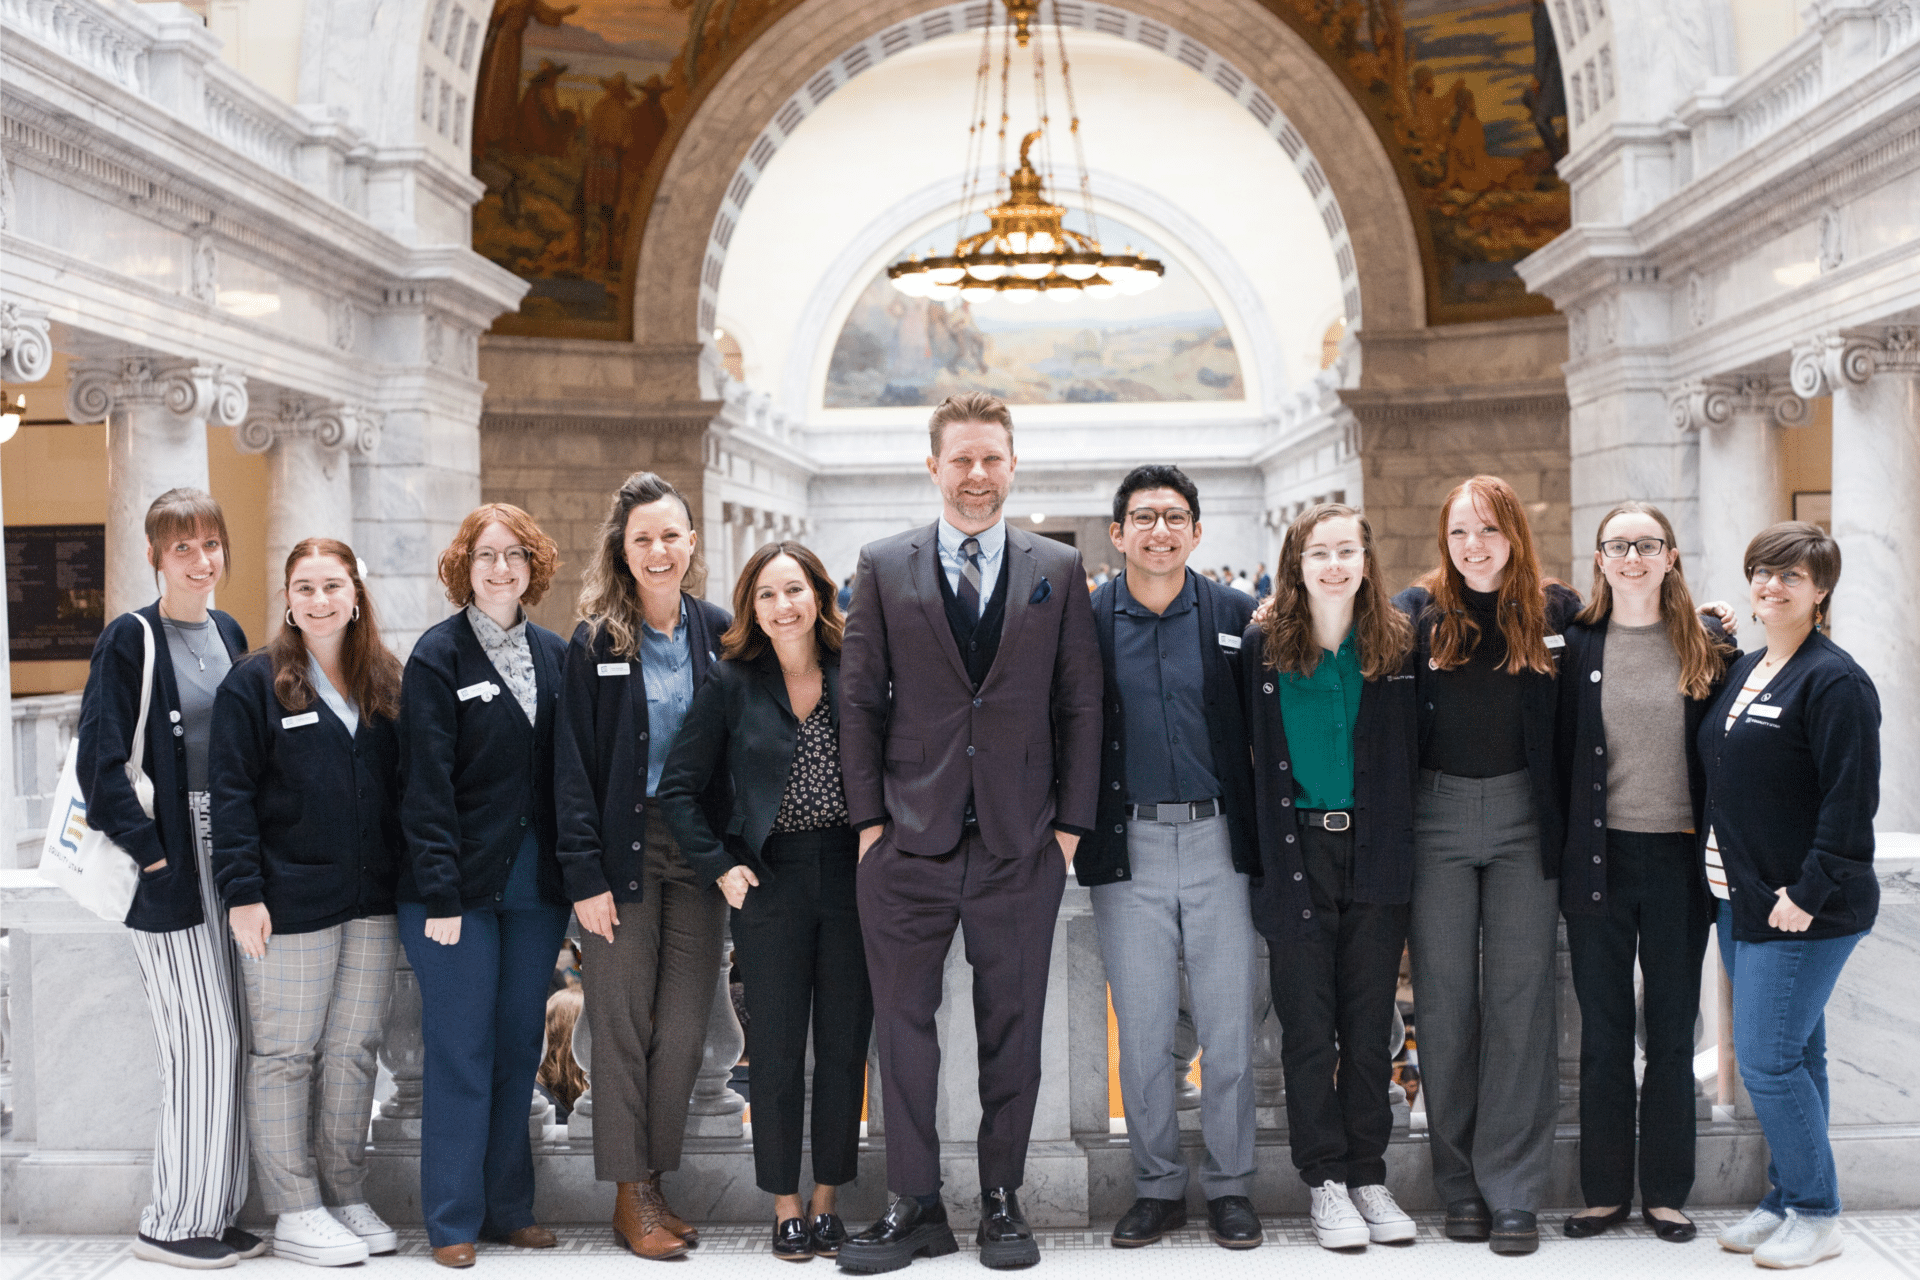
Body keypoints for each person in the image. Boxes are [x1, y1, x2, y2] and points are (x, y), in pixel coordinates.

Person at [837, 392, 1102, 1273]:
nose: (978, 475)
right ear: (934, 467)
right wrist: (870, 822)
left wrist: (1070, 828)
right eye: (961, 460)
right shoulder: (882, 564)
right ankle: (914, 1206)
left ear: (1013, 463)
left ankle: (1001, 1201)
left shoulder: (1056, 568)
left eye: (992, 458)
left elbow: (1079, 702)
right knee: (902, 1030)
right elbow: (861, 702)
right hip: (906, 844)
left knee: (1011, 1031)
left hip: (1021, 846)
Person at [657, 540, 872, 1262]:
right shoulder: (731, 682)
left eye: (795, 590)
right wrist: (721, 866)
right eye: (768, 595)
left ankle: (827, 1201)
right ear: (753, 606)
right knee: (777, 1052)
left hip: (850, 877)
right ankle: (783, 1204)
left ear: (819, 594)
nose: (784, 606)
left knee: (843, 1047)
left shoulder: (856, 672)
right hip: (769, 883)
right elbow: (680, 788)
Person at [1391, 475, 1581, 1256]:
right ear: (1445, 538)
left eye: (1489, 531)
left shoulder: (1556, 611)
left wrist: (1711, 617)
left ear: (1514, 535)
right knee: (1443, 1003)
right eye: (1460, 532)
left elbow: (1641, 620)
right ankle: (1458, 1185)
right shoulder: (1415, 612)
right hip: (1434, 817)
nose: (1475, 546)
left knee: (1519, 1004)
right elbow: (1335, 631)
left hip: (1523, 822)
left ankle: (1512, 1193)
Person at [74, 489, 263, 1269]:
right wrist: (153, 855)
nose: (200, 559)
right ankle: (173, 1219)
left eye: (210, 543)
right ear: (155, 556)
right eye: (181, 547)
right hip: (173, 866)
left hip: (232, 858)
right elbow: (100, 759)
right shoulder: (131, 639)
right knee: (203, 1044)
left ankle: (217, 1209)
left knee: (238, 1041)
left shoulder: (228, 632)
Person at [1076, 466, 1261, 1251]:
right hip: (1129, 845)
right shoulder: (1084, 624)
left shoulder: (1235, 616)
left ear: (1195, 530)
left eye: (1175, 516)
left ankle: (1229, 1187)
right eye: (1143, 518)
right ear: (1117, 534)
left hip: (1221, 841)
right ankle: (1156, 1186)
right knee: (1144, 1029)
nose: (1160, 530)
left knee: (1229, 1027)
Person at [210, 539, 405, 1266]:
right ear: (287, 599)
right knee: (287, 1056)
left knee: (354, 1054)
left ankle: (345, 1192)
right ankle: (295, 1207)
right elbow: (230, 798)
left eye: (332, 586)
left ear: (356, 595)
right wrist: (243, 894)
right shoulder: (253, 684)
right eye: (304, 588)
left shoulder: (385, 679)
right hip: (287, 902)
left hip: (373, 902)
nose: (319, 600)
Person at [553, 471, 729, 1260]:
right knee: (620, 1024)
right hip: (620, 849)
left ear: (691, 542)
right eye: (641, 539)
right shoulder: (596, 642)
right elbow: (572, 767)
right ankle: (632, 1196)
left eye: (670, 535)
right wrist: (583, 875)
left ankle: (654, 1182)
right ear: (622, 553)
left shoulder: (722, 634)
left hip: (699, 851)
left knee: (687, 1028)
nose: (658, 550)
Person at [397, 503, 573, 1268]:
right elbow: (424, 787)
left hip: (535, 892)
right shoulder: (437, 657)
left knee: (515, 1048)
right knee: (460, 1053)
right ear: (462, 568)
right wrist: (441, 894)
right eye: (485, 556)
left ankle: (509, 1207)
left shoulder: (556, 655)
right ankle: (451, 1219)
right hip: (454, 894)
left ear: (533, 567)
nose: (500, 569)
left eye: (514, 555)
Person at [1554, 504, 1731, 1244]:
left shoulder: (1707, 643)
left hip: (1678, 864)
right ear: (1599, 558)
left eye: (1646, 545)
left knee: (1669, 1027)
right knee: (1604, 1030)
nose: (1633, 556)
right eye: (1618, 545)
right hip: (1598, 859)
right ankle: (1602, 1192)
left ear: (1670, 556)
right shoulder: (1576, 643)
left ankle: (1664, 1191)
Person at [1704, 523, 1879, 1270]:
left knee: (1769, 1062)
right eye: (1761, 573)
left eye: (1790, 577)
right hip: (1740, 898)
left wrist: (1807, 891)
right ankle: (1784, 1199)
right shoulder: (1749, 667)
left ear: (1821, 590)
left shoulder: (1834, 680)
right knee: (1798, 1057)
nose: (1771, 587)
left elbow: (1849, 802)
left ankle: (1817, 1211)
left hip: (1800, 907)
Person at [1247, 503, 1420, 1250]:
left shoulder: (1398, 643)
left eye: (1347, 550)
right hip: (1296, 856)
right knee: (1310, 1029)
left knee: (1371, 1025)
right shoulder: (1261, 648)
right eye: (1319, 552)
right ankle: (1323, 1181)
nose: (1334, 565)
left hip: (1376, 853)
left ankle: (1368, 1176)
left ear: (1366, 559)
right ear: (1297, 563)